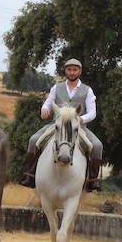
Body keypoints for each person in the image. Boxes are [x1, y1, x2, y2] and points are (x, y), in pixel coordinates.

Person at [19, 57, 104, 192]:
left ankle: (93, 180)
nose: (72, 72)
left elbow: (92, 113)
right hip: (56, 125)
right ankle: (30, 174)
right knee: (33, 140)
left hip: (78, 127)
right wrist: (44, 110)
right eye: (69, 70)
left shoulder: (87, 90)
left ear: (79, 71)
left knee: (98, 146)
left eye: (75, 70)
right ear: (65, 71)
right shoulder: (56, 87)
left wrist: (80, 120)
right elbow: (48, 103)